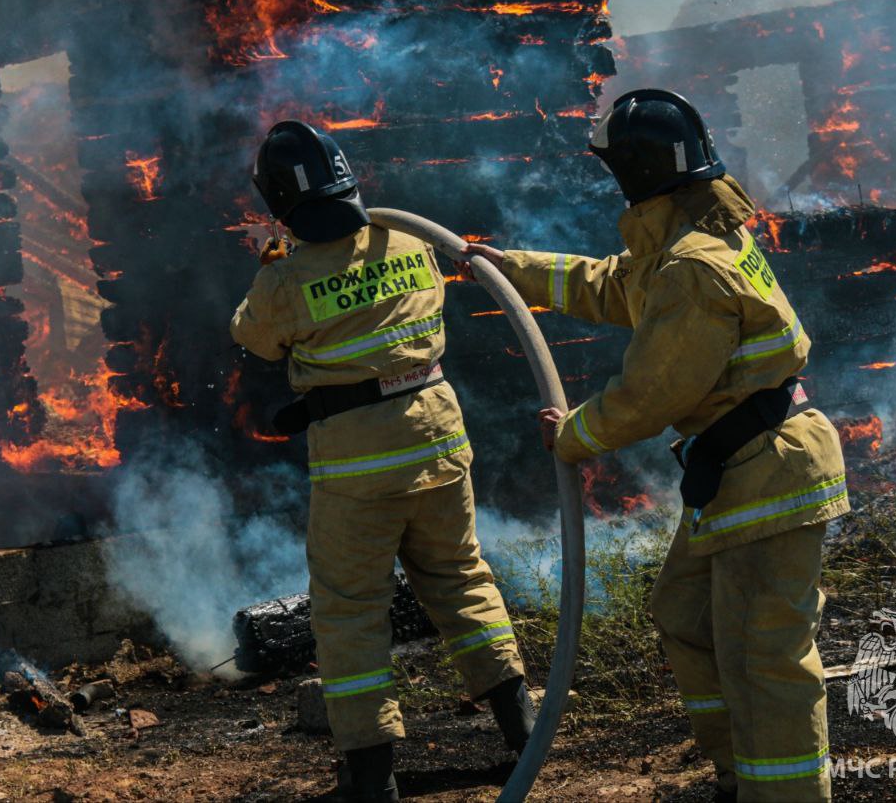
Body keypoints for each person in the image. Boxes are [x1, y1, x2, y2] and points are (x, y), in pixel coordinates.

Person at [461, 89, 848, 803]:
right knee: (686, 615)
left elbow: (652, 393)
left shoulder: (690, 268)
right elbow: (607, 284)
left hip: (766, 472)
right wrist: (508, 269)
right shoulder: (685, 244)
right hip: (744, 471)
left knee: (766, 658)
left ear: (634, 173)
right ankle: (740, 774)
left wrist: (573, 434)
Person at [230, 120, 535, 802]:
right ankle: (524, 731)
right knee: (459, 577)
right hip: (437, 436)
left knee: (349, 609)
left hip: (357, 463)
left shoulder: (288, 277)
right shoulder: (411, 239)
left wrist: (272, 261)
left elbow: (252, 334)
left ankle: (371, 777)